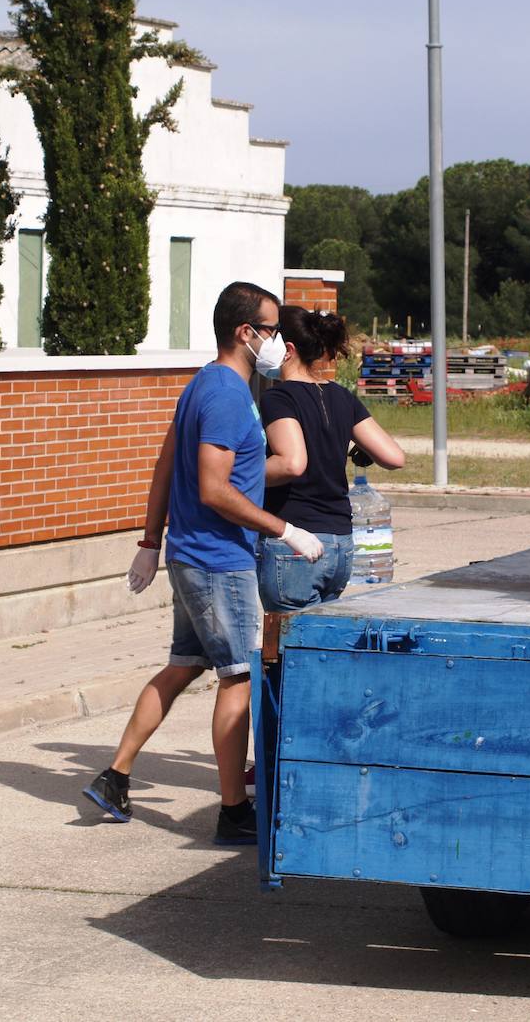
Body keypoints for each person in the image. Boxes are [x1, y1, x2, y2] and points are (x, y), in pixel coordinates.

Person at [82, 282, 324, 843]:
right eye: (271, 329)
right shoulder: (224, 394)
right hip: (218, 561)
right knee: (237, 677)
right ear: (246, 333)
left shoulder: (201, 387)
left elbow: (167, 467)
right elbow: (216, 490)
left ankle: (115, 776)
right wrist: (285, 529)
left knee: (184, 665)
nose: (279, 341)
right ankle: (235, 812)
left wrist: (151, 541)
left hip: (194, 557)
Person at [257, 306, 404, 621]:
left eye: (270, 337)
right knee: (318, 644)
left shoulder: (277, 399)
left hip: (296, 544)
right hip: (340, 547)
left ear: (289, 349)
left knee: (288, 650)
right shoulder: (340, 395)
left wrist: (237, 476)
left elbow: (292, 464)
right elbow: (394, 457)